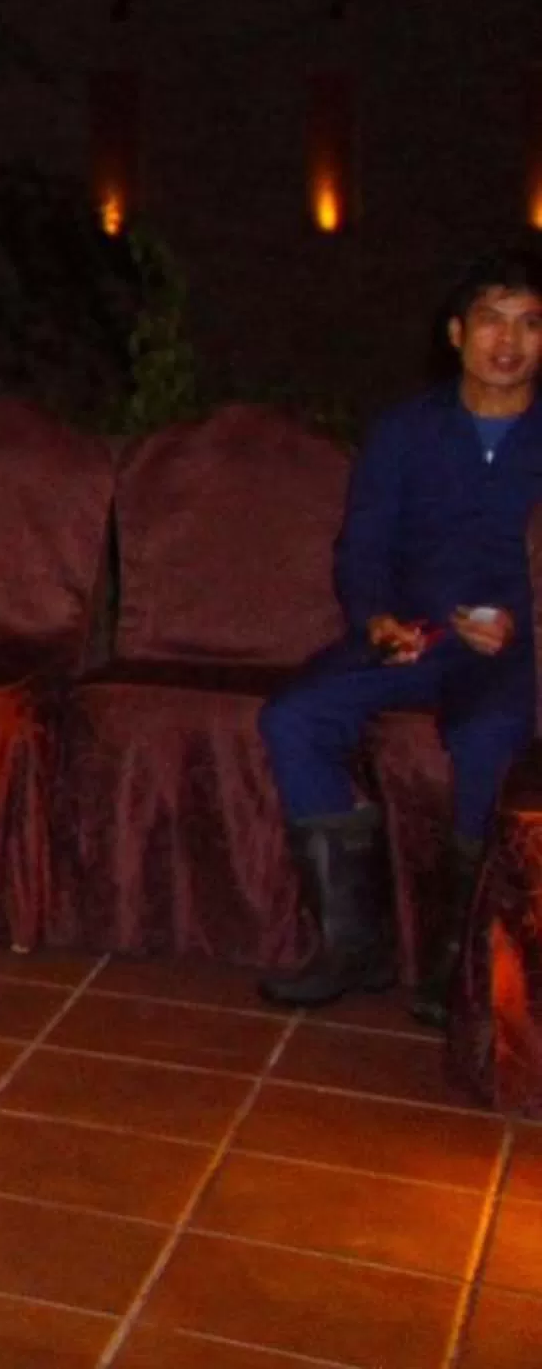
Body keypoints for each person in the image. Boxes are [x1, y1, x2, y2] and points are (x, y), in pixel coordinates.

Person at [257, 246, 542, 1021]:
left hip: (518, 649)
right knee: (294, 716)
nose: (509, 341)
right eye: (491, 321)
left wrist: (523, 617)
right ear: (456, 333)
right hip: (414, 635)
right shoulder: (407, 430)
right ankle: (354, 941)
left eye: (529, 324)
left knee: (489, 737)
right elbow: (363, 546)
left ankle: (464, 958)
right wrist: (376, 618)